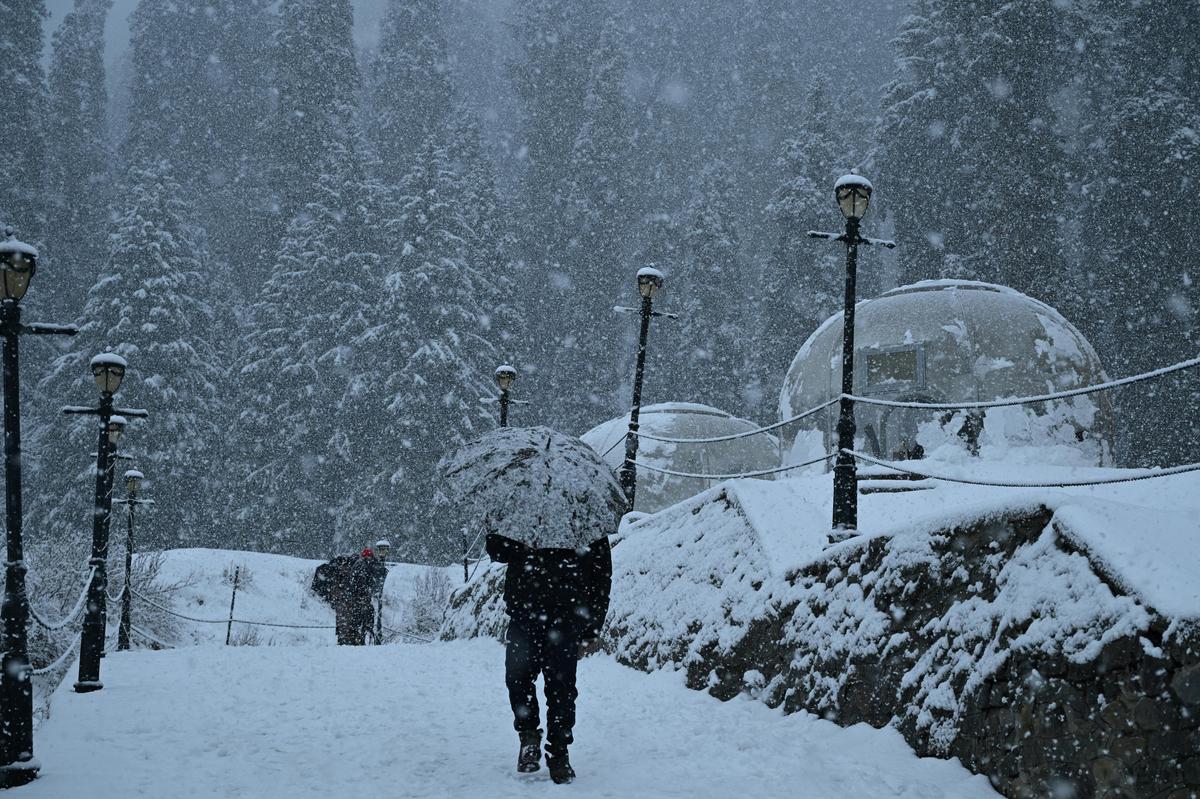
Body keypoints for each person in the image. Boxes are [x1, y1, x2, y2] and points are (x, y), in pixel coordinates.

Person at [486, 532, 612, 785]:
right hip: (525, 614)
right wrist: (515, 539)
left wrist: (592, 627)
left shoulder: (584, 518)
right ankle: (529, 736)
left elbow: (601, 575)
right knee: (518, 679)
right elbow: (497, 552)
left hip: (566, 618)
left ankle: (559, 753)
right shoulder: (523, 515)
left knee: (562, 688)